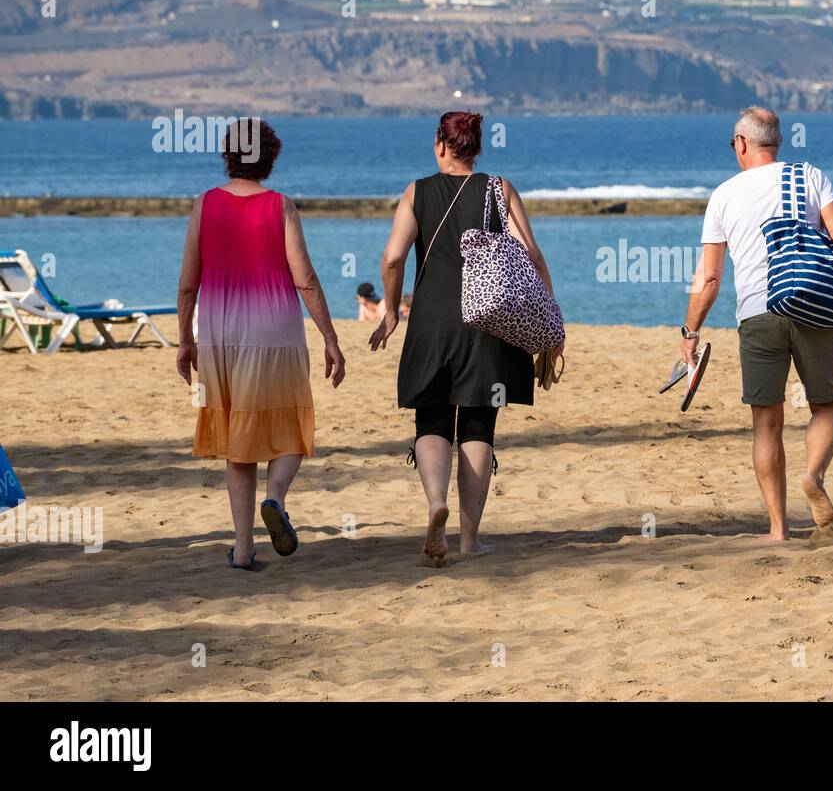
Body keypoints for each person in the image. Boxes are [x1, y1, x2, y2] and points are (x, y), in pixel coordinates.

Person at [368, 111, 563, 566]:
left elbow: (393, 258)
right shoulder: (499, 188)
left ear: (440, 145)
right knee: (478, 425)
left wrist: (393, 311)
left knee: (431, 420)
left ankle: (436, 501)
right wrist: (551, 317)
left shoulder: (417, 191)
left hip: (432, 323)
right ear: (477, 147)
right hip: (488, 324)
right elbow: (531, 254)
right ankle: (470, 539)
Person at [679, 107, 833, 543]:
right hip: (811, 304)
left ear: (742, 143)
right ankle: (813, 474)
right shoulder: (810, 176)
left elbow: (709, 277)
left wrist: (691, 331)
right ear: (778, 142)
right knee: (827, 405)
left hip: (756, 313)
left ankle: (778, 528)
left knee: (767, 423)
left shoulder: (723, 195)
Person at [176, 119, 345, 570]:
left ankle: (244, 547)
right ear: (269, 158)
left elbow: (188, 282)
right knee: (291, 422)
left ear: (228, 156)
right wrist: (329, 337)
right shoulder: (280, 206)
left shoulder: (204, 205)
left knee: (237, 441)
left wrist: (183, 340)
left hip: (220, 336)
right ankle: (275, 498)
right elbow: (305, 279)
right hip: (274, 331)